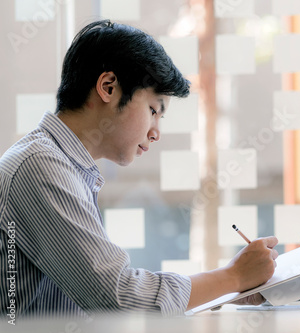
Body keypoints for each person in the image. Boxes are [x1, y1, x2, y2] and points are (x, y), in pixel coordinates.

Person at [0, 20, 278, 319]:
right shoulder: (40, 167)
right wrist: (233, 277)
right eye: (154, 110)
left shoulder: (63, 165)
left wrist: (229, 285)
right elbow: (119, 296)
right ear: (108, 87)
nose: (156, 132)